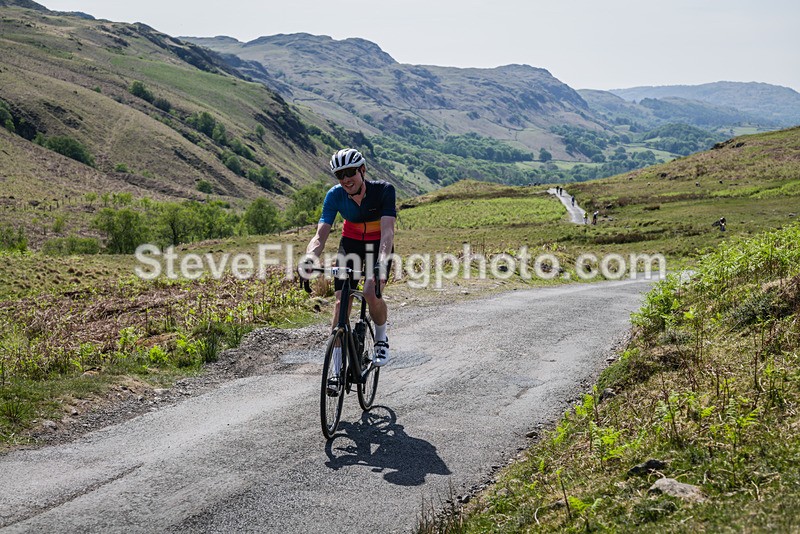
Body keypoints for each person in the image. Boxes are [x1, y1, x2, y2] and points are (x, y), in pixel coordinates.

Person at [300, 148, 396, 372]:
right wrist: (309, 258)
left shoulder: (384, 191)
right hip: (350, 244)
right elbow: (320, 235)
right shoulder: (335, 195)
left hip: (378, 244)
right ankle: (335, 368)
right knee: (341, 302)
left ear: (362, 170)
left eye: (350, 172)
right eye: (339, 175)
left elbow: (388, 233)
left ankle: (381, 340)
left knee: (371, 292)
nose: (345, 179)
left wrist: (381, 264)